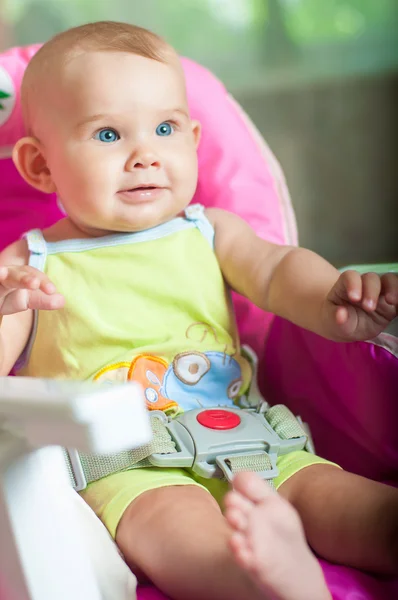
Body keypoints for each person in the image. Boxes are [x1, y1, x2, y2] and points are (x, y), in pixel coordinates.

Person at [0, 21, 397, 600]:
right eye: (108, 135)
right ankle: (265, 580)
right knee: (186, 542)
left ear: (193, 138)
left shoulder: (209, 231)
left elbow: (277, 269)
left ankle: (296, 549)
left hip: (259, 441)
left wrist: (331, 298)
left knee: (361, 510)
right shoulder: (28, 263)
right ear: (40, 166)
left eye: (164, 129)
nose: (145, 156)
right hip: (126, 470)